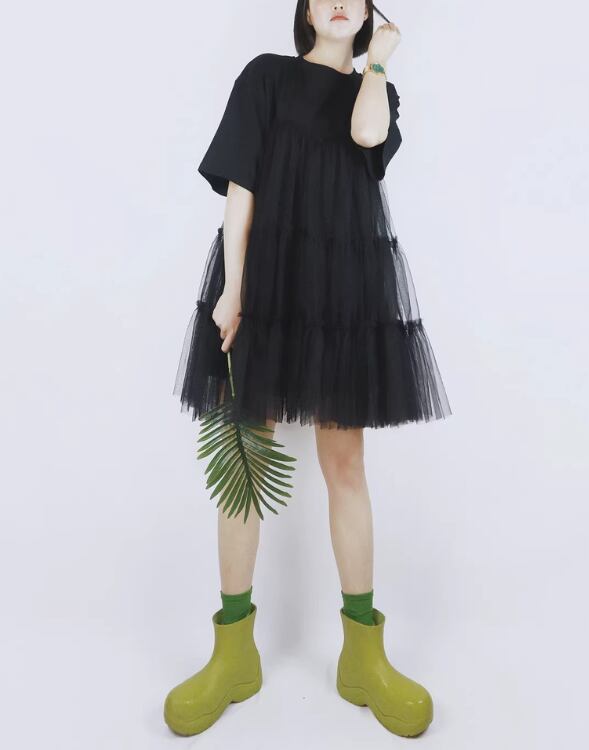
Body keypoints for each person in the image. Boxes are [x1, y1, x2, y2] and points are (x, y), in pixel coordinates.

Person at [165, 0, 452, 738]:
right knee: (246, 454)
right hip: (266, 282)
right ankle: (233, 652)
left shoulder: (376, 91)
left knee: (345, 461)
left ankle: (363, 655)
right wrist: (233, 287)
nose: (338, 0)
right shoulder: (266, 77)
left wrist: (378, 60)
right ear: (304, 9)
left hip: (343, 294)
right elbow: (242, 185)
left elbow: (367, 135)